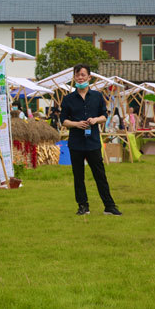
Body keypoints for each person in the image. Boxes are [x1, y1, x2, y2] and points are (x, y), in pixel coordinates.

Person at [60, 64, 121, 217]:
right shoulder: (68, 99)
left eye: (83, 74)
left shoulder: (97, 96)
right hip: (76, 143)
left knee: (100, 175)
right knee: (78, 176)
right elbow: (64, 121)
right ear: (74, 78)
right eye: (77, 75)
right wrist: (76, 124)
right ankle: (83, 206)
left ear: (89, 77)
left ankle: (109, 206)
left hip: (93, 142)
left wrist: (95, 120)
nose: (80, 77)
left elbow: (104, 116)